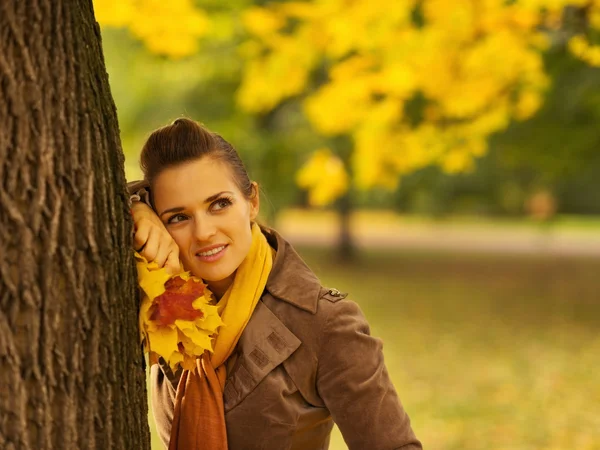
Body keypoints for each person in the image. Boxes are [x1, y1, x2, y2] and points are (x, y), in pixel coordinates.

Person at [129, 118, 422, 450]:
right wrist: (135, 207)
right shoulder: (157, 295)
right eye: (178, 217)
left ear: (252, 201)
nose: (204, 232)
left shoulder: (324, 324)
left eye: (219, 204)